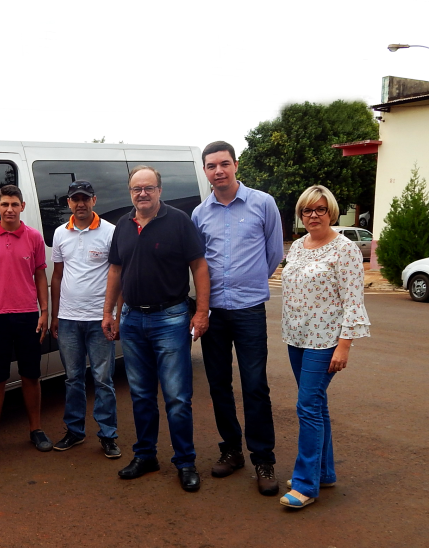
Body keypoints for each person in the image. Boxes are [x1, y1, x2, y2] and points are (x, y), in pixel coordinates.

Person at [102, 165, 210, 491]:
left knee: (177, 397)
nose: (143, 194)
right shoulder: (123, 225)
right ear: (130, 192)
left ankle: (185, 462)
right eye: (137, 189)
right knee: (141, 395)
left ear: (160, 190)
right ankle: (145, 455)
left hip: (170, 319)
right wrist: (109, 313)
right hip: (133, 320)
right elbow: (115, 271)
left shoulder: (178, 221)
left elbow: (199, 266)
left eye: (149, 188)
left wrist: (201, 312)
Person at [190, 141, 284, 496]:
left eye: (224, 164)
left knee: (255, 384)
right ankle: (231, 450)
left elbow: (273, 253)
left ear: (236, 165)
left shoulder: (263, 203)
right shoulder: (200, 214)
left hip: (248, 310)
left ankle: (263, 459)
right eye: (211, 166)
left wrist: (251, 282)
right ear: (205, 171)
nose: (218, 171)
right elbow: (198, 262)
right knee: (218, 384)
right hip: (213, 311)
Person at [279, 185, 370, 509]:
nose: (313, 215)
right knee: (317, 405)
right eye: (307, 210)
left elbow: (353, 302)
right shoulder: (298, 246)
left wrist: (344, 346)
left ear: (331, 212)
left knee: (307, 406)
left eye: (320, 209)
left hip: (325, 342)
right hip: (296, 338)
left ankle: (306, 484)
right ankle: (324, 472)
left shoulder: (345, 249)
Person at [0, 184, 52, 458]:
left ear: (22, 207)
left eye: (14, 204)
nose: (9, 209)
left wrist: (44, 311)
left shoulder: (34, 237)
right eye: (4, 204)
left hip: (27, 315)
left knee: (31, 375)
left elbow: (40, 275)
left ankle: (36, 429)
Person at [50, 180, 121, 459]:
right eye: (75, 199)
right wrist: (55, 315)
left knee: (103, 379)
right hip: (68, 319)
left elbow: (118, 275)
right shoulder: (60, 233)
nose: (80, 204)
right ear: (69, 202)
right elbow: (57, 275)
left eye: (85, 198)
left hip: (99, 319)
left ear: (94, 200)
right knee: (72, 378)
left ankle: (108, 435)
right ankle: (75, 431)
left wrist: (114, 314)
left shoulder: (110, 232)